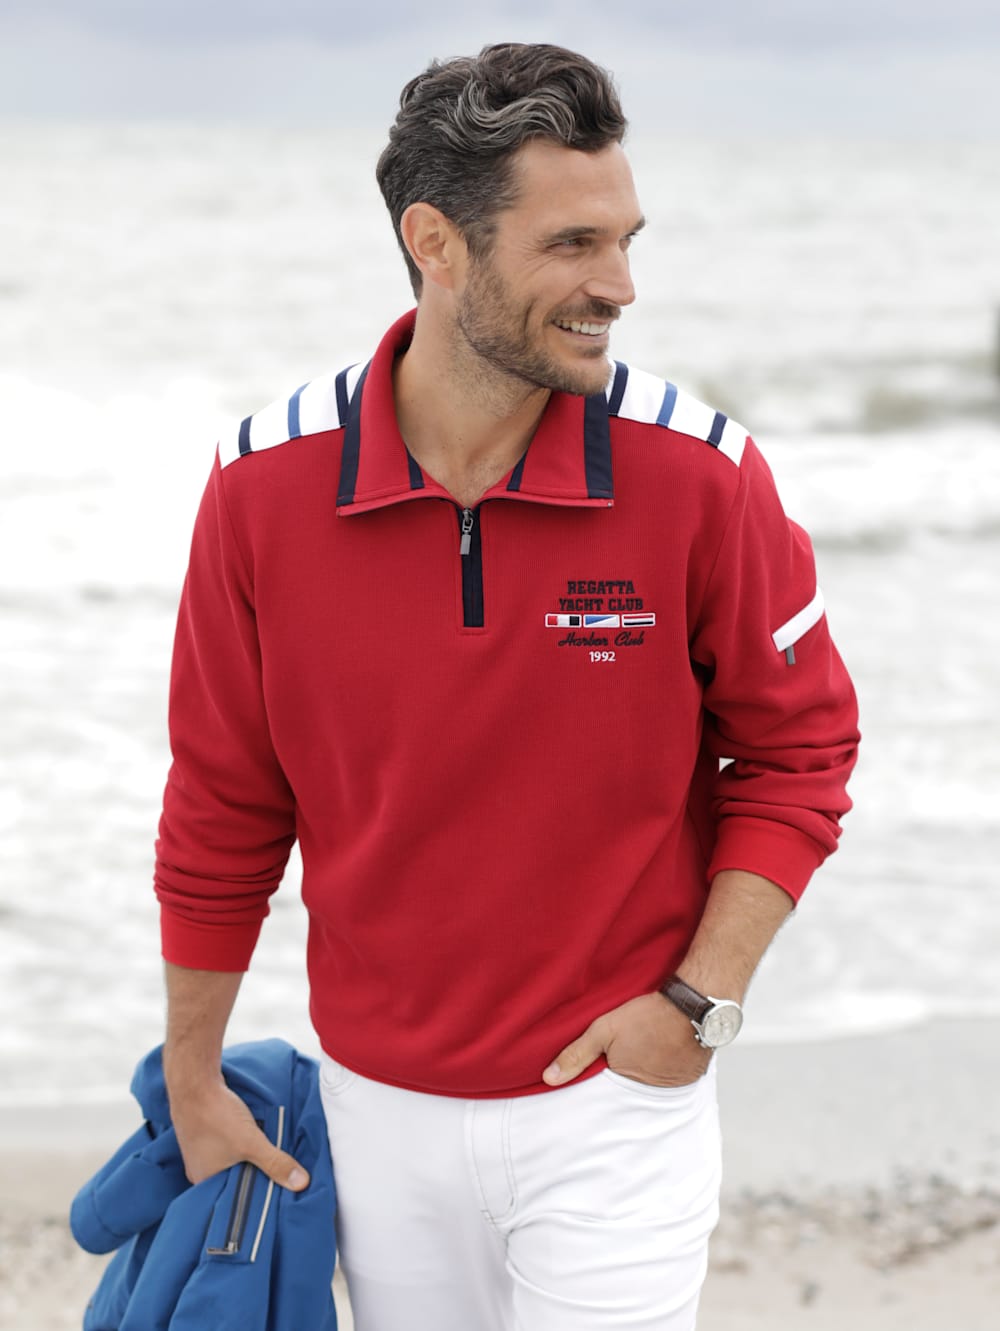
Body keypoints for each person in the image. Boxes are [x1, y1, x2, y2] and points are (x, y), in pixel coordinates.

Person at [155, 42, 859, 1331]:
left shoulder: (701, 475)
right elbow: (224, 797)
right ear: (434, 241)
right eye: (572, 244)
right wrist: (192, 1076)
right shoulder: (261, 486)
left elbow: (800, 752)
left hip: (616, 1103)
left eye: (626, 240)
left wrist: (699, 1005)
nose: (620, 286)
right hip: (374, 1112)